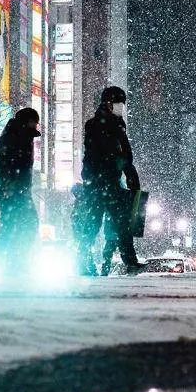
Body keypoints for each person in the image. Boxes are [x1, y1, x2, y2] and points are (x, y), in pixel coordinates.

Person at [76, 85, 141, 275]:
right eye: (118, 103)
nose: (121, 107)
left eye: (122, 104)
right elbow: (108, 154)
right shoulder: (97, 124)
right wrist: (125, 168)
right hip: (100, 183)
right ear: (108, 103)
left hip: (110, 182)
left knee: (120, 223)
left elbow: (124, 154)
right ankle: (84, 262)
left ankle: (130, 261)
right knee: (96, 224)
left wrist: (129, 171)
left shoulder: (117, 124)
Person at [0, 107, 40, 275]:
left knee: (20, 224)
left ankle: (14, 260)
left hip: (19, 189)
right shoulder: (12, 137)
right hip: (12, 189)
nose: (35, 125)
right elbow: (4, 163)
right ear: (26, 122)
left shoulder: (22, 136)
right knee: (16, 224)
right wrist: (8, 186)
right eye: (33, 122)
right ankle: (10, 261)